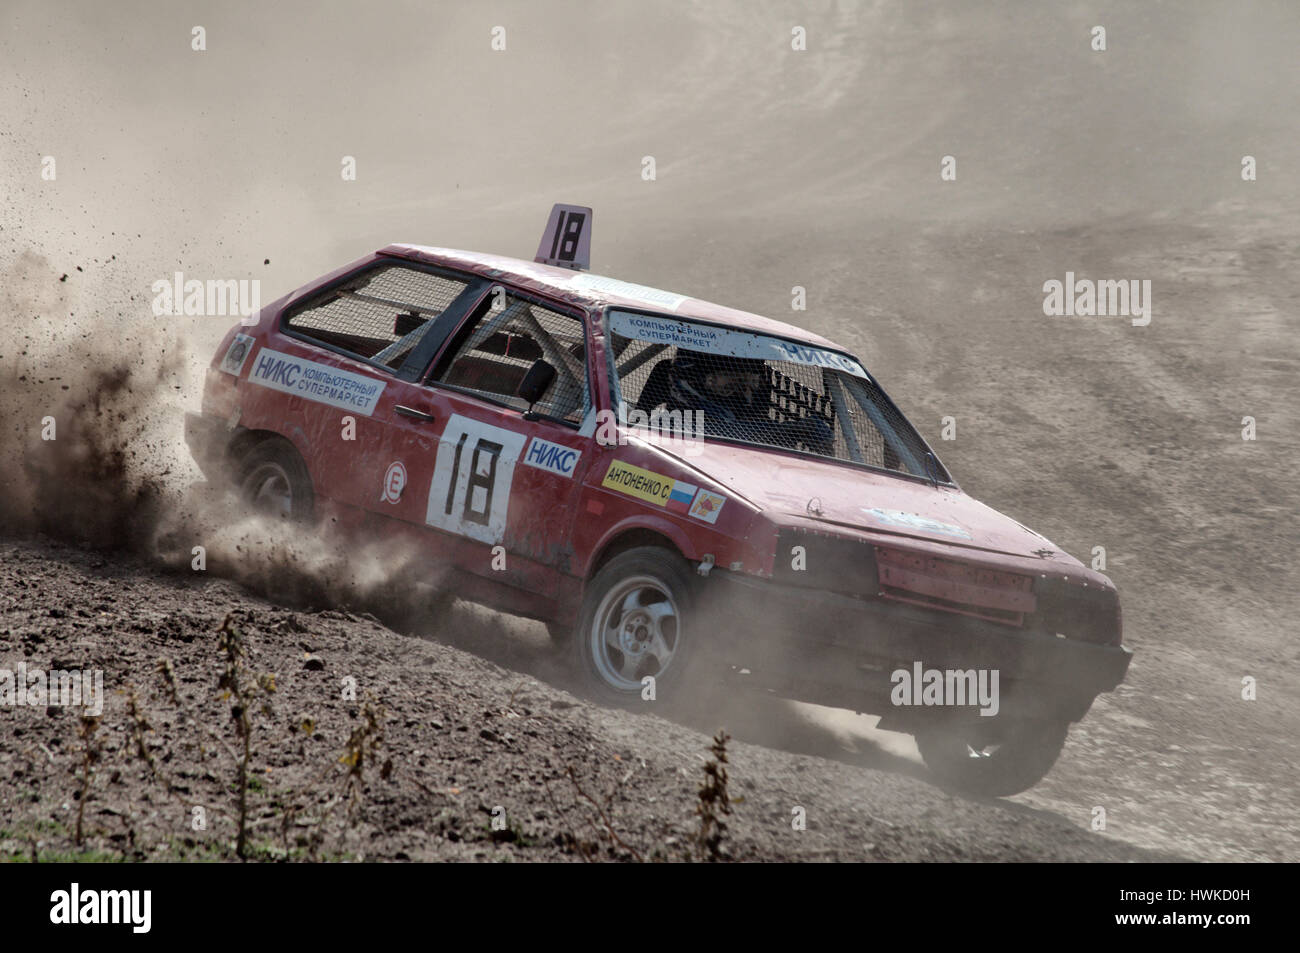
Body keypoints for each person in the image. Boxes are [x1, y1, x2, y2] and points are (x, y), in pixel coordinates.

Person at [665, 350, 833, 454]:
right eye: (731, 380)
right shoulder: (665, 428)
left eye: (749, 381)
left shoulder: (760, 427)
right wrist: (800, 429)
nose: (744, 390)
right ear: (696, 381)